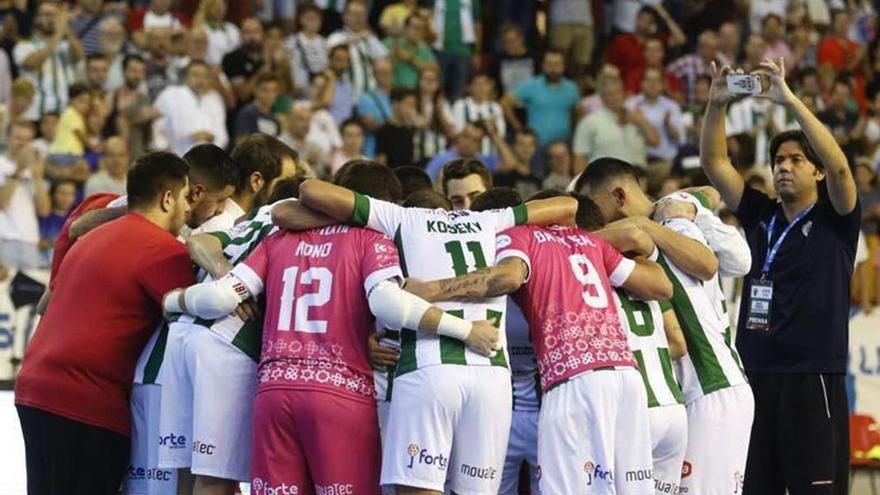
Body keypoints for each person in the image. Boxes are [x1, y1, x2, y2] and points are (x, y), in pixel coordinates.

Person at [168, 161, 497, 494]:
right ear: (383, 205)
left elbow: (221, 294)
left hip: (275, 392)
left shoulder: (281, 236)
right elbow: (390, 305)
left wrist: (173, 301)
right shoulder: (373, 239)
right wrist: (467, 330)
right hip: (339, 397)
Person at [274, 170, 578, 495]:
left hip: (428, 372)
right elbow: (567, 206)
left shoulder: (399, 217)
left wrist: (356, 218)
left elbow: (310, 190)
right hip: (491, 377)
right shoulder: (491, 220)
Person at [401, 190, 672, 495]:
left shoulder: (519, 235)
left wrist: (429, 290)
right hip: (627, 378)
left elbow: (508, 278)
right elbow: (660, 286)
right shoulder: (591, 242)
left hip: (575, 378)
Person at [700, 58, 858, 494]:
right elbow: (714, 162)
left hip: (813, 379)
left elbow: (843, 169)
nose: (783, 166)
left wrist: (788, 99)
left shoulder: (837, 220)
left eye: (795, 159)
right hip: (756, 375)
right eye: (778, 160)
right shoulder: (760, 215)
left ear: (817, 171)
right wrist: (716, 105)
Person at [15, 152, 194, 495]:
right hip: (85, 399)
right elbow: (193, 319)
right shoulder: (164, 250)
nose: (189, 210)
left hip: (34, 388)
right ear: (167, 198)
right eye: (186, 198)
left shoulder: (91, 239)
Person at [575, 158, 754, 495]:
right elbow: (709, 193)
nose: (593, 219)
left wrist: (656, 219)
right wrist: (693, 201)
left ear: (618, 195)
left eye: (594, 206)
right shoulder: (657, 225)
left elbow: (708, 263)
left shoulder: (671, 223)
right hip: (693, 394)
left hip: (712, 387)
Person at [13, 1, 84, 120]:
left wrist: (66, 29)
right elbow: (33, 63)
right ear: (35, 18)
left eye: (54, 15)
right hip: (36, 116)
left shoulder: (64, 45)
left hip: (65, 115)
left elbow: (79, 55)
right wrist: (58, 33)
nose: (51, 19)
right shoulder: (24, 45)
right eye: (46, 15)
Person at [502, 50, 580, 150]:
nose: (553, 68)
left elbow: (576, 114)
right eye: (549, 64)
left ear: (564, 66)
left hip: (563, 147)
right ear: (543, 65)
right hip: (536, 146)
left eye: (557, 64)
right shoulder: (531, 85)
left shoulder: (572, 88)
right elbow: (505, 102)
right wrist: (518, 128)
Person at [572, 83, 657, 171]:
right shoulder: (589, 122)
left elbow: (655, 142)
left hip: (638, 176)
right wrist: (580, 182)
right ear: (602, 98)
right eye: (609, 94)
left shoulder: (637, 118)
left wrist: (642, 122)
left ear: (624, 95)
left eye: (617, 93)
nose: (614, 97)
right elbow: (580, 157)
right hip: (604, 178)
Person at [0, 121, 50, 270]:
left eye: (28, 140)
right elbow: (2, 203)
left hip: (30, 240)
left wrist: (37, 177)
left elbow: (44, 210)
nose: (23, 144)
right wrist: (19, 170)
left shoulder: (33, 170)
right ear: (7, 138)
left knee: (29, 293)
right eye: (18, 138)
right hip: (4, 239)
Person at [153, 60, 228, 155]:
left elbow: (222, 134)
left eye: (205, 76)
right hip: (176, 156)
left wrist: (211, 139)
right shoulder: (170, 94)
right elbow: (156, 126)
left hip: (208, 159)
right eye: (196, 75)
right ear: (186, 77)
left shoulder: (215, 98)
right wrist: (164, 150)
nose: (201, 80)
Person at [327, 0, 389, 102]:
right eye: (355, 15)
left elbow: (385, 59)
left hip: (369, 98)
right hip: (346, 97)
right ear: (344, 17)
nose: (359, 19)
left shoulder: (369, 39)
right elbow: (332, 51)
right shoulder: (336, 37)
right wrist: (357, 37)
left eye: (362, 15)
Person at [412, 65, 454, 167]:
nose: (429, 82)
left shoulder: (443, 104)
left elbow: (450, 132)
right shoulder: (411, 101)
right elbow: (417, 124)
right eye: (426, 79)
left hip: (439, 156)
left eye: (433, 80)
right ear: (419, 81)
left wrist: (439, 112)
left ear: (438, 84)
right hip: (415, 155)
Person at [384, 13, 437, 89]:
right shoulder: (389, 43)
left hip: (414, 94)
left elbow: (435, 69)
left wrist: (410, 59)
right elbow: (380, 67)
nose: (419, 33)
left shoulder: (423, 48)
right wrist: (394, 52)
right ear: (405, 28)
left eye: (422, 29)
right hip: (393, 92)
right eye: (416, 28)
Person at [287, 5, 329, 97]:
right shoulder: (292, 41)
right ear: (301, 20)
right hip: (298, 89)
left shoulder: (324, 42)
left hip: (319, 90)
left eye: (316, 19)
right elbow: (287, 65)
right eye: (309, 18)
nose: (313, 22)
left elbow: (327, 67)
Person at [356, 57, 394, 157]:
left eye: (388, 72)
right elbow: (369, 125)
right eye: (381, 72)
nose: (386, 75)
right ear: (374, 75)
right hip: (372, 152)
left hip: (394, 152)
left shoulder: (398, 96)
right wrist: (393, 123)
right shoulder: (366, 98)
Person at [375, 87, 418, 169]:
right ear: (396, 105)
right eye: (408, 104)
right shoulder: (384, 130)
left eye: (413, 105)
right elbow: (381, 160)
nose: (411, 109)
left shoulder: (412, 130)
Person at [234, 72, 282, 138]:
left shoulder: (275, 120)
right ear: (255, 90)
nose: (270, 95)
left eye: (273, 90)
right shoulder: (247, 114)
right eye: (265, 90)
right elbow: (241, 143)